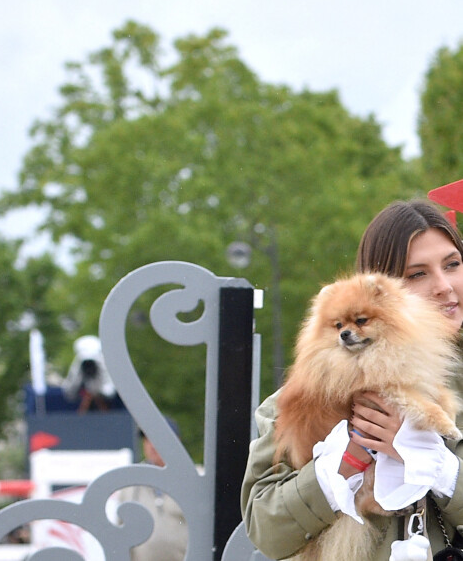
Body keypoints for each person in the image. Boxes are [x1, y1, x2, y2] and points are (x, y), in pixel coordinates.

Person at [241, 198, 463, 560]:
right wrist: (348, 460)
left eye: (453, 264)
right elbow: (266, 529)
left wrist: (441, 468)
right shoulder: (303, 396)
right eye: (417, 274)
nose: (443, 285)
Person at [119, 420, 188, 561]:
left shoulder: (192, 479)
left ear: (176, 442)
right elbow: (121, 534)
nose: (152, 445)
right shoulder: (131, 482)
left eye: (158, 438)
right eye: (147, 439)